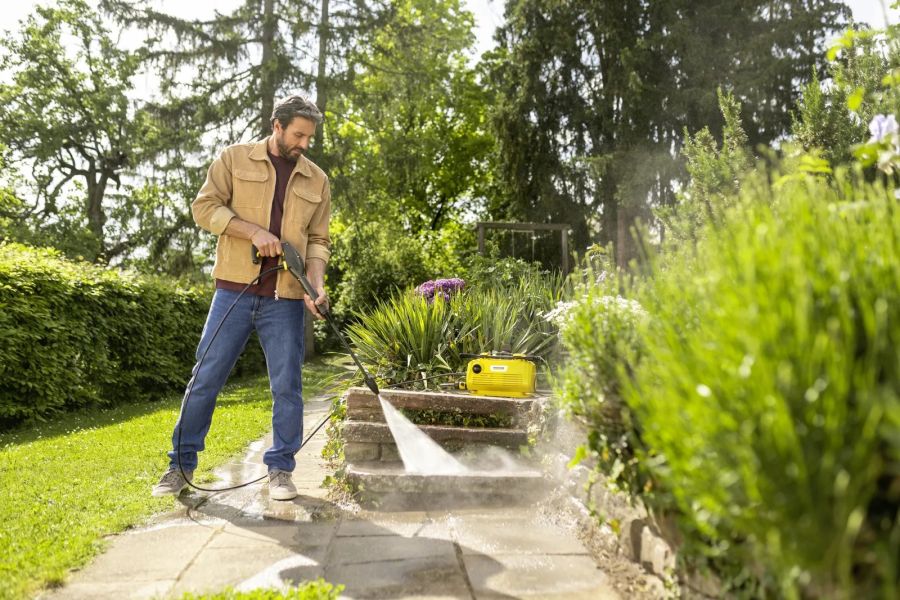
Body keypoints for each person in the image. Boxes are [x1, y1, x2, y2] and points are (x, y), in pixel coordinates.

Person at [152, 95, 331, 501]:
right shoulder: (234, 159)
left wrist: (315, 285)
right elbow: (204, 208)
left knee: (287, 386)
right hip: (233, 290)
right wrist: (251, 232)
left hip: (286, 298)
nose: (304, 143)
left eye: (309, 137)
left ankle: (281, 470)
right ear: (277, 126)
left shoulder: (317, 179)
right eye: (298, 134)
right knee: (206, 379)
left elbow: (319, 240)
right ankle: (180, 467)